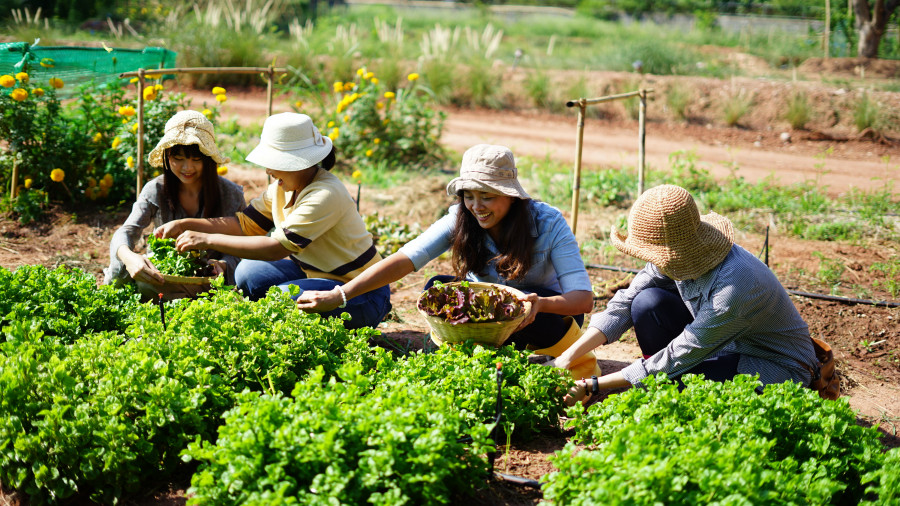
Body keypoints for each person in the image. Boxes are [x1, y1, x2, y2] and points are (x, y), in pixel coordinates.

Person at [297, 144, 601, 378]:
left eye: (487, 196)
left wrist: (538, 303)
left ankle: (537, 358)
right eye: (469, 195)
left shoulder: (548, 223)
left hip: (538, 318)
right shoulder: (461, 217)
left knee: (542, 310)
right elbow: (406, 259)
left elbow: (583, 299)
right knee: (437, 289)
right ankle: (468, 357)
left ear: (510, 195)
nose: (476, 206)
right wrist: (340, 295)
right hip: (485, 318)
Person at [548, 184, 818, 406]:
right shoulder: (677, 255)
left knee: (679, 383)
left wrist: (594, 385)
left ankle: (663, 385)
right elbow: (625, 302)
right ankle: (662, 384)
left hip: (771, 367)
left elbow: (680, 353)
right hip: (719, 346)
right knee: (646, 303)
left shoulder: (735, 287)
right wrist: (567, 357)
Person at [155, 112, 391, 329]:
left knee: (282, 299)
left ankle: (348, 321)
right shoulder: (283, 187)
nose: (268, 170)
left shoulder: (325, 194)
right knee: (248, 272)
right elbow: (245, 224)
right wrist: (186, 224)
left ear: (299, 162)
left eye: (275, 163)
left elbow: (275, 248)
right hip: (316, 274)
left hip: (360, 291)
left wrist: (207, 239)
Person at [103, 110, 245, 287]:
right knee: (131, 272)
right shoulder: (156, 189)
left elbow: (245, 245)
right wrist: (129, 257)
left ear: (208, 160)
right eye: (178, 158)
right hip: (162, 277)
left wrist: (223, 264)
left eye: (196, 159)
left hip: (210, 281)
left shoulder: (231, 194)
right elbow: (127, 231)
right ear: (167, 157)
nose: (187, 167)